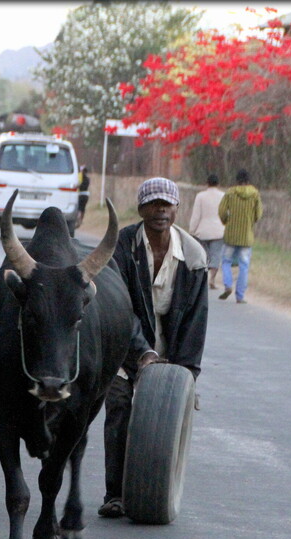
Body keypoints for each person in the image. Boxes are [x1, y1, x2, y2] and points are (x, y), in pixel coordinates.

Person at [99, 177, 209, 519]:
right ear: (141, 209)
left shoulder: (193, 256)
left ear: (176, 209)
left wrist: (186, 374)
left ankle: (155, 489)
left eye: (166, 204)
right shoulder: (121, 247)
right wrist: (142, 352)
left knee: (165, 419)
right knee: (119, 406)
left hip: (170, 349)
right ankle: (115, 494)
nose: (160, 210)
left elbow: (195, 321)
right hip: (124, 343)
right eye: (152, 204)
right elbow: (120, 307)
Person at [218, 168, 263, 304]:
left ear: (237, 180)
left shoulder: (230, 193)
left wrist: (226, 221)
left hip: (231, 234)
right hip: (246, 236)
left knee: (226, 261)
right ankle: (240, 296)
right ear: (248, 180)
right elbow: (258, 214)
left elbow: (221, 211)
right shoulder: (255, 194)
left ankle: (228, 285)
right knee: (244, 266)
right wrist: (250, 222)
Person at [188, 173, 226, 289]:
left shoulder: (200, 196)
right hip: (219, 231)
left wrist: (192, 230)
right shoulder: (223, 196)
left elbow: (196, 215)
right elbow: (226, 214)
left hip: (202, 231)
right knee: (216, 256)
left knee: (203, 256)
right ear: (218, 184)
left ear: (207, 183)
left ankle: (202, 279)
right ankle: (212, 278)